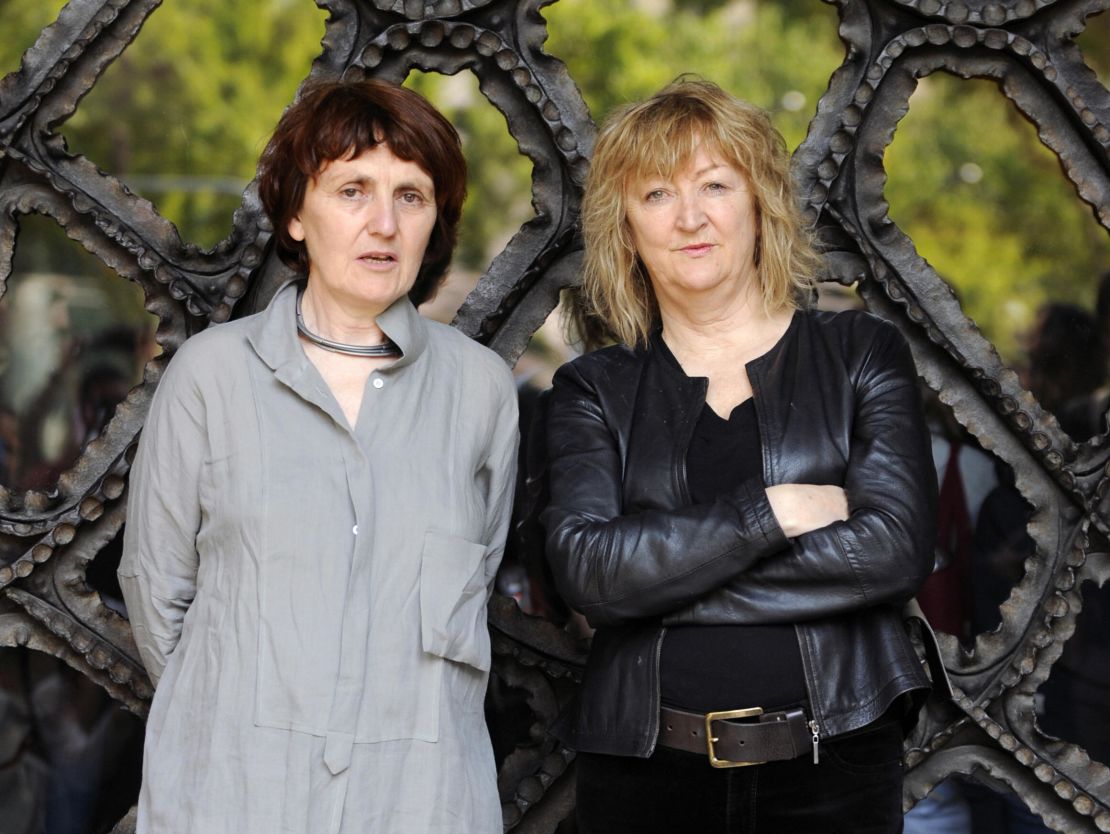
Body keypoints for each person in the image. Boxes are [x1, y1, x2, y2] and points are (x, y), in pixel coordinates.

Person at [118, 79, 518, 834]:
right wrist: (239, 722)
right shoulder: (211, 374)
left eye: (412, 196)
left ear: (436, 223)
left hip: (419, 797)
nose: (383, 223)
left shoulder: (480, 390)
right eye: (352, 190)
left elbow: (481, 571)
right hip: (235, 794)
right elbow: (156, 589)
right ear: (297, 214)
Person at [540, 79, 939, 833]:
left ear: (759, 204)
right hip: (644, 776)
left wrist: (657, 583)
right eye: (656, 193)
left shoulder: (859, 355)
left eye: (715, 186)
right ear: (626, 227)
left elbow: (893, 550)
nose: (690, 217)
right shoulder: (595, 388)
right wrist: (776, 512)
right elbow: (590, 573)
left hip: (835, 769)